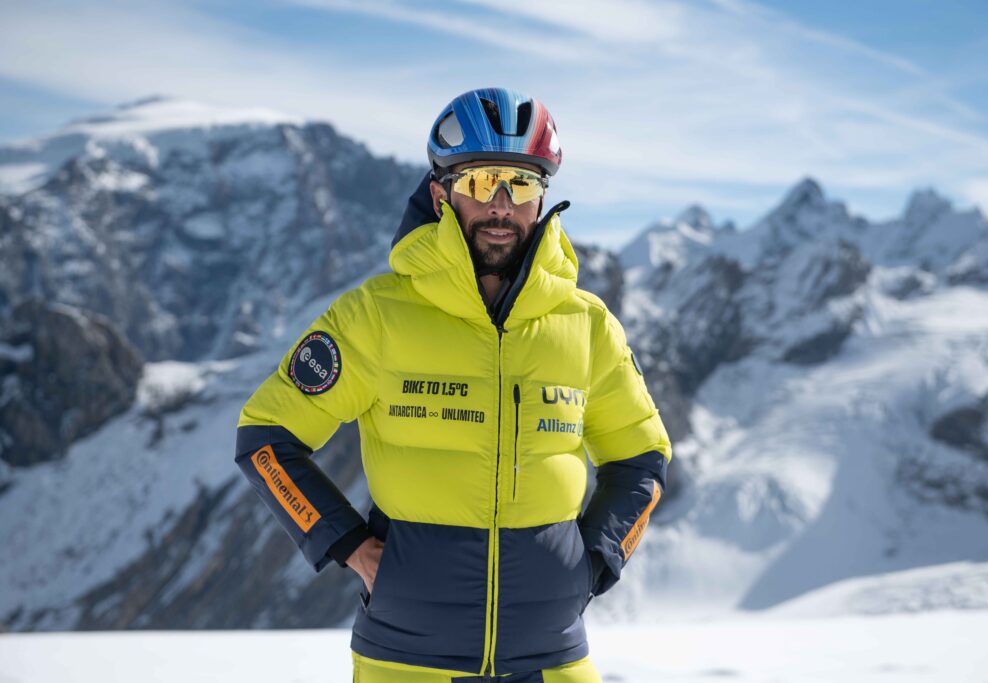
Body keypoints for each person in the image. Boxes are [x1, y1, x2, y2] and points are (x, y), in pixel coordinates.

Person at [235, 86, 672, 682]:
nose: (500, 206)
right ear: (441, 193)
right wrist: (349, 547)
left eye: (519, 185)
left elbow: (642, 458)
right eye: (480, 182)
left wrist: (594, 562)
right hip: (405, 661)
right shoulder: (375, 316)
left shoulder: (586, 325)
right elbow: (265, 439)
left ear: (541, 199)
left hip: (552, 659)